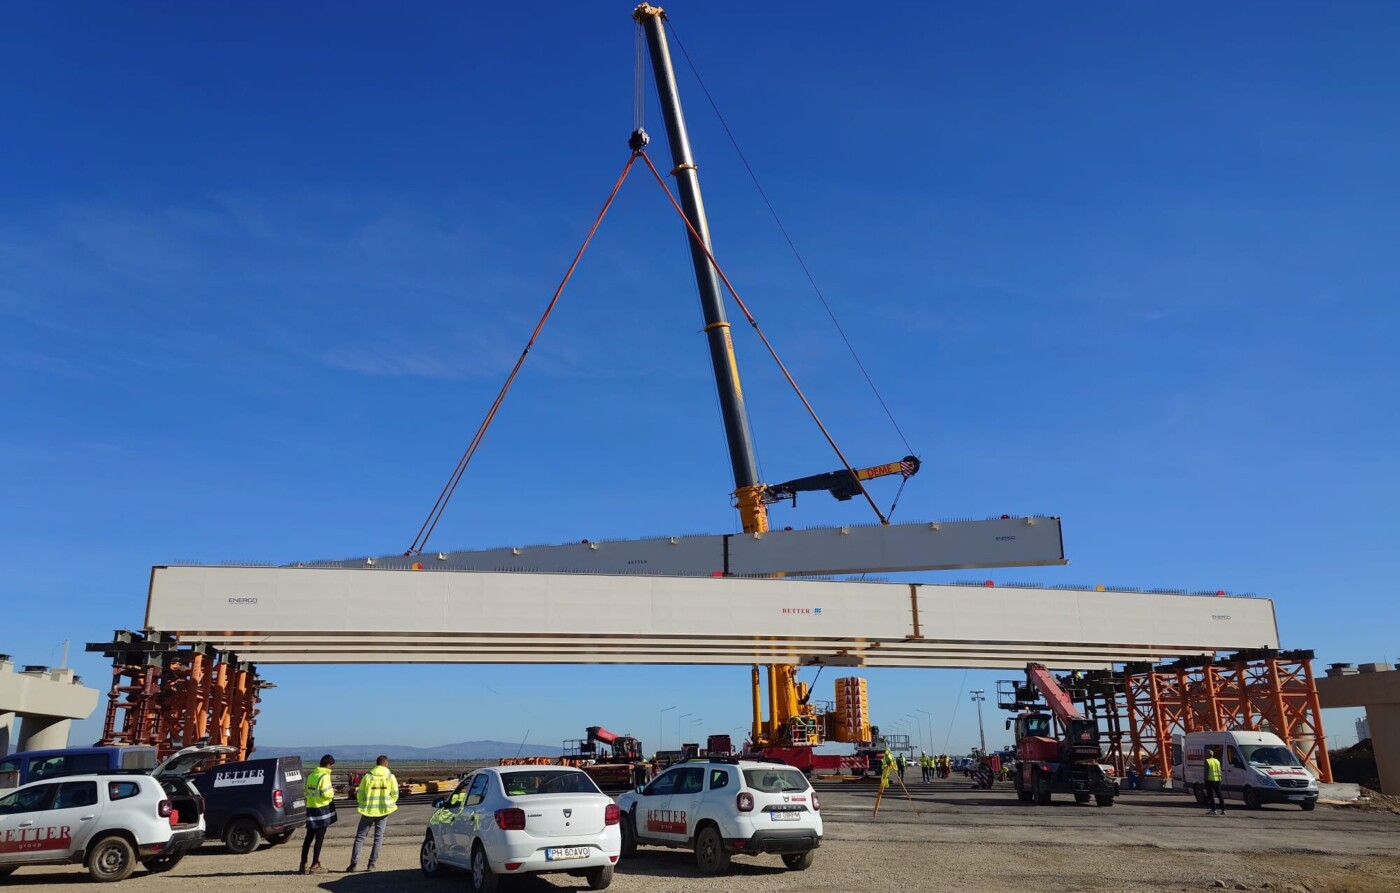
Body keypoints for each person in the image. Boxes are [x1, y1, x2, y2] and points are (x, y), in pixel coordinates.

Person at [347, 755, 399, 871]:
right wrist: (388, 803)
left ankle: (353, 864)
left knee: (360, 837)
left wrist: (363, 803)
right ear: (386, 764)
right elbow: (395, 794)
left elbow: (360, 793)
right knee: (378, 838)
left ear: (377, 764)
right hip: (383, 811)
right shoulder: (390, 777)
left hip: (368, 811)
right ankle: (372, 864)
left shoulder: (368, 776)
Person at [299, 754, 337, 874]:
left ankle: (302, 864)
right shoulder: (324, 776)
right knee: (319, 838)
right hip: (322, 810)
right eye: (332, 766)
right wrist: (332, 792)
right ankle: (315, 864)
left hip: (311, 808)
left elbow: (306, 791)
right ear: (328, 765)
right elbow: (326, 794)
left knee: (308, 838)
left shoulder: (311, 775)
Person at [1204, 747, 1226, 815]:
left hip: (1210, 780)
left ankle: (1213, 810)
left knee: (1211, 795)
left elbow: (1206, 772)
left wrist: (1205, 779)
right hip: (1218, 780)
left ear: (1208, 755)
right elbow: (1219, 770)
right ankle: (1223, 810)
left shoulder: (1207, 761)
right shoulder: (1217, 761)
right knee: (1219, 795)